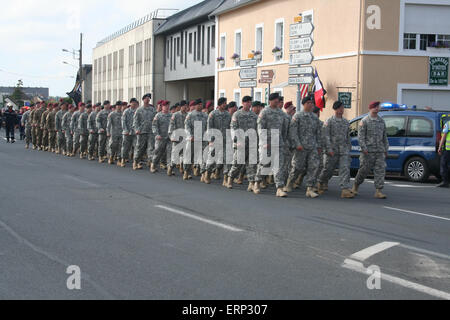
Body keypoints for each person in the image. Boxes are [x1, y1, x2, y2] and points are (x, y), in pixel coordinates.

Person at [285, 95, 322, 198]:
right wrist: (297, 144)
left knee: (314, 166)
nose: (311, 105)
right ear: (304, 104)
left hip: (312, 146)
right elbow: (293, 132)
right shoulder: (297, 116)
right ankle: (289, 183)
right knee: (297, 167)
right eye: (308, 103)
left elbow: (318, 133)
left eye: (312, 103)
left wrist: (319, 146)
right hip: (300, 147)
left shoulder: (314, 117)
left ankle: (310, 188)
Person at [255, 93, 289, 198]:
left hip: (278, 143)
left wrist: (283, 140)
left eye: (278, 100)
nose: (277, 101)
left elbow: (284, 128)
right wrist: (264, 142)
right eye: (275, 100)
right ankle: (256, 182)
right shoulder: (264, 112)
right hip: (266, 143)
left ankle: (279, 188)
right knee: (264, 164)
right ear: (270, 100)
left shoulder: (281, 113)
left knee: (279, 166)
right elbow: (260, 128)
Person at [317, 101, 354, 198]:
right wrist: (328, 149)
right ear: (335, 109)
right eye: (340, 108)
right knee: (328, 169)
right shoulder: (329, 121)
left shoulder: (346, 122)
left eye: (342, 108)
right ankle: (321, 181)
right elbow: (325, 136)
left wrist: (348, 147)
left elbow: (347, 136)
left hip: (343, 150)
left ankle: (345, 189)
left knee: (345, 168)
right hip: (331, 150)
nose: (341, 110)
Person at [352, 101, 389, 199]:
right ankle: (355, 186)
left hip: (379, 151)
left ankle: (378, 191)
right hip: (368, 151)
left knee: (380, 171)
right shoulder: (364, 121)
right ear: (370, 108)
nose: (377, 108)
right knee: (363, 171)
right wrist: (364, 148)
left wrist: (386, 148)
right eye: (374, 107)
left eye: (378, 107)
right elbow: (360, 137)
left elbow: (384, 136)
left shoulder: (381, 121)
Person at [227, 96, 258, 191]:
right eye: (247, 102)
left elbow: (257, 128)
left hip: (251, 143)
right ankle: (230, 179)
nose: (249, 104)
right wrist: (237, 141)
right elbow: (234, 128)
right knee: (237, 164)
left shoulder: (253, 115)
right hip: (240, 143)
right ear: (243, 103)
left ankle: (251, 183)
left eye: (250, 102)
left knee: (251, 164)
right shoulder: (237, 114)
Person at [204, 97, 232, 185]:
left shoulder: (228, 114)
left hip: (225, 140)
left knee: (227, 160)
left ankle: (225, 179)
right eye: (224, 103)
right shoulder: (213, 114)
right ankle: (207, 174)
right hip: (215, 140)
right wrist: (210, 140)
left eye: (225, 103)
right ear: (220, 104)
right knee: (212, 159)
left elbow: (230, 127)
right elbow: (209, 128)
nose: (225, 105)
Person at [183, 99, 208, 180]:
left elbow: (208, 127)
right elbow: (187, 126)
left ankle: (203, 174)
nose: (200, 106)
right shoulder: (190, 115)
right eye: (199, 104)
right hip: (192, 139)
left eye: (201, 104)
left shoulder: (205, 115)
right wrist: (190, 136)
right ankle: (186, 171)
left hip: (203, 139)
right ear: (195, 105)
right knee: (189, 156)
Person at [132, 94, 157, 170]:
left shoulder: (152, 110)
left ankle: (152, 165)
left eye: (149, 99)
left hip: (150, 132)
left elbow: (155, 121)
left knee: (151, 148)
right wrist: (136, 130)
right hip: (141, 132)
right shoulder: (139, 110)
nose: (148, 100)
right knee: (140, 148)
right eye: (146, 99)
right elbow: (135, 121)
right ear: (143, 100)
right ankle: (136, 162)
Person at [168, 100, 189, 176]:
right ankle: (171, 167)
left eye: (187, 106)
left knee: (185, 155)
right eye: (184, 106)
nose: (186, 107)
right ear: (181, 106)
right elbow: (171, 126)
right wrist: (172, 136)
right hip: (177, 138)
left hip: (185, 138)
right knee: (175, 156)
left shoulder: (188, 115)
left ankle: (184, 170)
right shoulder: (175, 115)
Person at [151, 101, 172, 173]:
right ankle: (153, 165)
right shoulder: (158, 115)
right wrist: (156, 134)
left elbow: (174, 126)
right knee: (158, 152)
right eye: (165, 106)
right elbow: (154, 126)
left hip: (169, 138)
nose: (167, 107)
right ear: (162, 107)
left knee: (170, 152)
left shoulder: (171, 115)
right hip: (160, 137)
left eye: (168, 106)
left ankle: (170, 168)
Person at [119, 98, 138, 167]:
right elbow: (123, 122)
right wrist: (126, 130)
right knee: (125, 147)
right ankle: (123, 159)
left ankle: (135, 162)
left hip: (135, 133)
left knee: (136, 147)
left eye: (135, 102)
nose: (134, 104)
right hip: (127, 133)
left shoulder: (137, 111)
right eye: (133, 102)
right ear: (130, 103)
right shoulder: (126, 111)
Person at [437, 120, 450, 188]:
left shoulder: (448, 124)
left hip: (448, 150)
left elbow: (444, 136)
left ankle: (445, 182)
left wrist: (439, 147)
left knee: (444, 165)